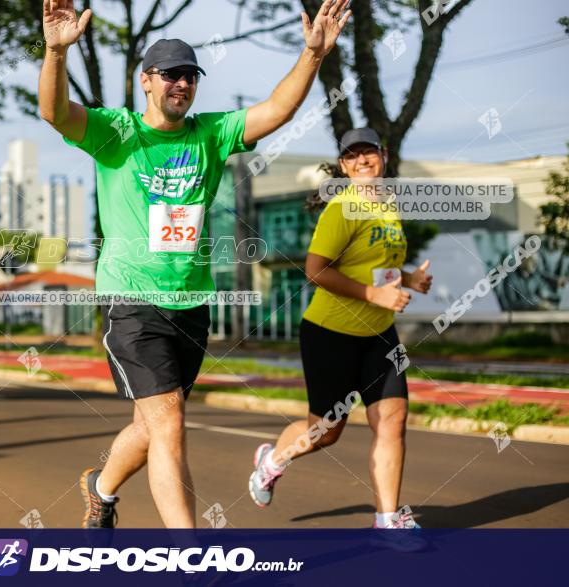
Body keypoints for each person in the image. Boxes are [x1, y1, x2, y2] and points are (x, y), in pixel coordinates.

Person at [39, 0, 352, 528]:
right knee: (171, 422)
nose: (181, 84)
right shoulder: (116, 133)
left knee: (151, 424)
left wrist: (312, 55)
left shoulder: (209, 134)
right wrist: (55, 52)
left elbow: (277, 110)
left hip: (191, 304)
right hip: (132, 300)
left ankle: (102, 487)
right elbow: (54, 112)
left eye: (190, 76)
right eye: (170, 75)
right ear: (146, 82)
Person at [248, 128, 433, 532]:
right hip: (330, 334)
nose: (363, 159)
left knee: (392, 420)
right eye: (353, 156)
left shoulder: (387, 205)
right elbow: (316, 271)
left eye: (370, 152)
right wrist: (374, 294)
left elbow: (375, 266)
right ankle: (273, 460)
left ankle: (388, 520)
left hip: (379, 336)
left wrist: (406, 280)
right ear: (344, 166)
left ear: (384, 155)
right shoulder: (342, 208)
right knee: (325, 432)